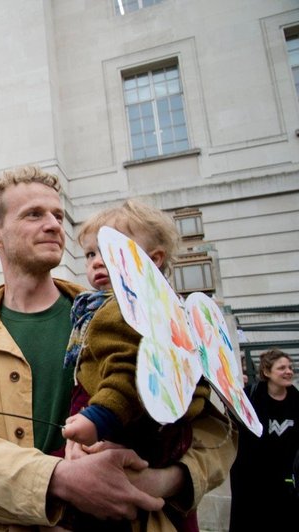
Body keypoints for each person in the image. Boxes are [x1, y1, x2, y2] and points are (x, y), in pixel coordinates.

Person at [0, 165, 237, 531]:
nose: (55, 224)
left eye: (58, 215)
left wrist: (164, 479)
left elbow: (216, 433)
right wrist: (61, 479)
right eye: (34, 214)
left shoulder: (135, 320)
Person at [60, 200, 211, 530]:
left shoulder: (129, 308)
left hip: (129, 423)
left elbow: (127, 371)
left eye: (110, 250)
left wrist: (98, 418)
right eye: (89, 254)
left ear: (153, 260)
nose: (97, 262)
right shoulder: (107, 307)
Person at [229, 349, 299, 531]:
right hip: (251, 480)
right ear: (267, 372)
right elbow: (230, 422)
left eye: (290, 367)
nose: (288, 371)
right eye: (282, 367)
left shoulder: (297, 401)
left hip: (285, 480)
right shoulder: (250, 397)